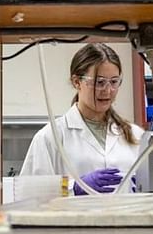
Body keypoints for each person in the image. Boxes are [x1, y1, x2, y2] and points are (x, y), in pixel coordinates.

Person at [20, 43, 144, 195]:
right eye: (99, 82)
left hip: (128, 219)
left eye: (114, 82)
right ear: (76, 82)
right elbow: (28, 193)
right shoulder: (50, 137)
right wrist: (74, 188)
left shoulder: (135, 135)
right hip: (76, 219)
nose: (108, 90)